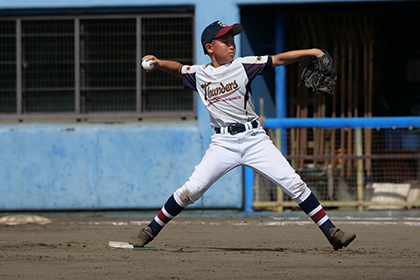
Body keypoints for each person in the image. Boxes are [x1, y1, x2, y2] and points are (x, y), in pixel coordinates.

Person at [129, 20, 356, 251]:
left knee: (293, 183)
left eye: (232, 41)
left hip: (254, 139)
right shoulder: (200, 74)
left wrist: (313, 52)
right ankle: (149, 231)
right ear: (209, 48)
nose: (231, 45)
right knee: (192, 190)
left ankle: (332, 233)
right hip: (222, 143)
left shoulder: (243, 65)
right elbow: (178, 68)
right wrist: (158, 63)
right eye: (225, 41)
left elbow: (278, 59)